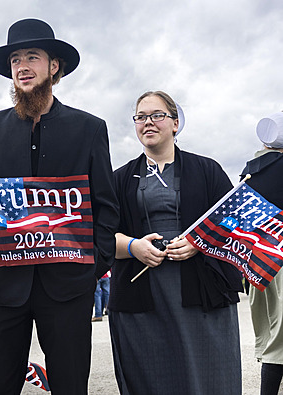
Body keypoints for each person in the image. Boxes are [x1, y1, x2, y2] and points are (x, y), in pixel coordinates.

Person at [0, 19, 119, 394]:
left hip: (68, 286)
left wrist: (92, 266)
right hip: (0, 291)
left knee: (69, 385)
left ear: (54, 66)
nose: (22, 66)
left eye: (33, 56)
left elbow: (106, 207)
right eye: (15, 59)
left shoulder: (89, 128)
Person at [109, 91, 243, 394]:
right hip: (141, 294)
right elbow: (100, 236)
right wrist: (134, 247)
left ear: (175, 123)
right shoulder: (118, 179)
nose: (148, 123)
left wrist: (200, 242)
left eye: (157, 115)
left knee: (208, 376)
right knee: (153, 378)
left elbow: (236, 221)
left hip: (202, 291)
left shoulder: (207, 170)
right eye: (141, 117)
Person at [241, 111, 283, 395]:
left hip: (258, 262)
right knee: (280, 344)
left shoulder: (250, 170)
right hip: (279, 260)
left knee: (272, 337)